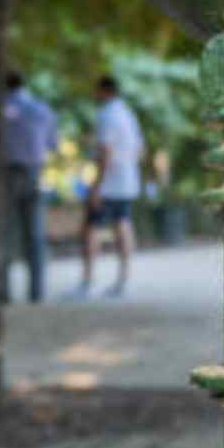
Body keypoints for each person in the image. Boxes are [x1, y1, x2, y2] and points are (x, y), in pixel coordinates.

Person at [69, 75, 145, 300]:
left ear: (104, 91)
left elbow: (106, 152)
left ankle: (87, 282)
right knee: (123, 224)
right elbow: (141, 149)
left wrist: (96, 186)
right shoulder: (128, 114)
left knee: (90, 229)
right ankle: (123, 280)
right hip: (127, 180)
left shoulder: (107, 114)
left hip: (109, 183)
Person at [2, 71, 58, 303]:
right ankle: (37, 292)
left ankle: (2, 292)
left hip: (5, 175)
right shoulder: (42, 109)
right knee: (35, 236)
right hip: (35, 172)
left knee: (3, 233)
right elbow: (52, 143)